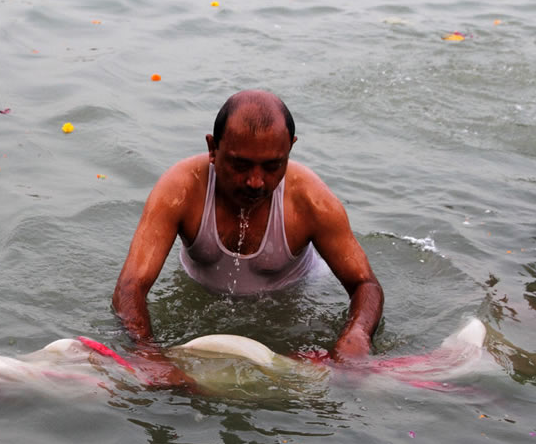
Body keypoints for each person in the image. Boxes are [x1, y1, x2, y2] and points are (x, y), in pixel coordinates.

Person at [112, 89, 383, 384]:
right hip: (200, 299)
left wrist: (354, 340)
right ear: (212, 149)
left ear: (290, 149)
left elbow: (365, 284)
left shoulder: (311, 200)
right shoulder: (181, 189)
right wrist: (147, 356)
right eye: (240, 165)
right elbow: (130, 286)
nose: (255, 182)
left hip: (294, 300)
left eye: (272, 166)